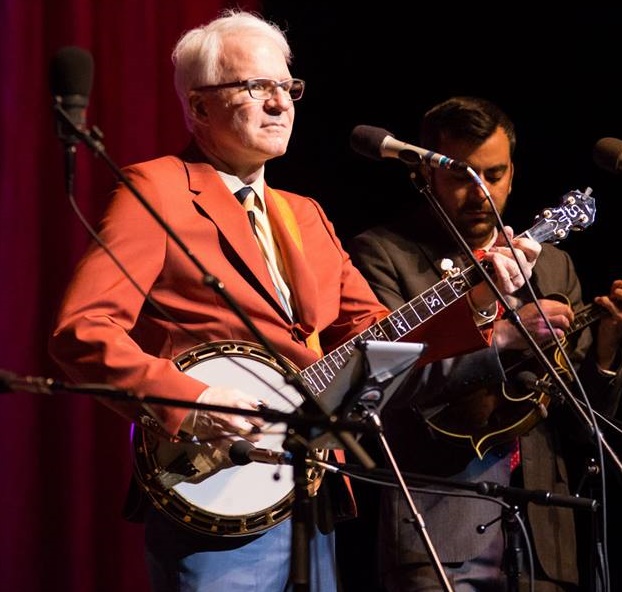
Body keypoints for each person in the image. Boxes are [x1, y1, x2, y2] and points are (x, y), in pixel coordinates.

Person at [47, 13, 542, 592]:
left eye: (287, 87)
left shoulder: (303, 212)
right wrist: (194, 399)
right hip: (217, 486)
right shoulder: (154, 189)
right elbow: (82, 331)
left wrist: (480, 300)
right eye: (255, 87)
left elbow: (378, 338)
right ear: (199, 107)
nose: (280, 103)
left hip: (313, 488)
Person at [347, 95, 622, 592]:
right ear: (428, 174)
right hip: (437, 530)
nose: (481, 195)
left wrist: (604, 351)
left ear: (513, 173)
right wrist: (505, 337)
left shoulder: (555, 266)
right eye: (463, 177)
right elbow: (386, 385)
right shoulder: (383, 255)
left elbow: (583, 424)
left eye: (493, 175)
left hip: (547, 540)